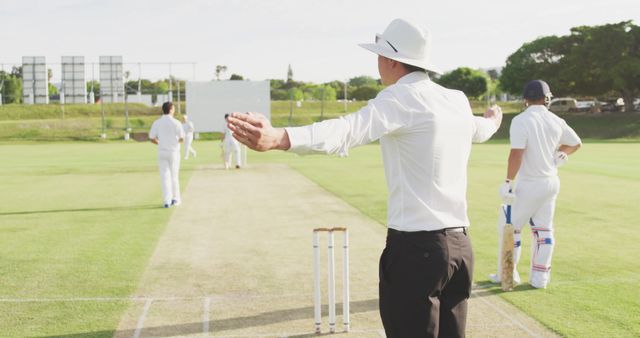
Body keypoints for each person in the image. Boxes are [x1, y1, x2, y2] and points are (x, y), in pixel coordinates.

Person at [227, 18, 502, 338]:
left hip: (417, 250)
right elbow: (480, 130)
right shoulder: (455, 99)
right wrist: (493, 120)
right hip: (460, 249)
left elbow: (347, 130)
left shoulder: (400, 98)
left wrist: (280, 137)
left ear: (391, 60)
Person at [491, 80, 581, 289]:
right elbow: (576, 142)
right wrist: (562, 153)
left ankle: (507, 274)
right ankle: (540, 279)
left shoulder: (521, 120)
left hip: (529, 183)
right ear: (547, 98)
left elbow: (516, 153)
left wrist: (507, 181)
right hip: (551, 183)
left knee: (510, 227)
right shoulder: (555, 119)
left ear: (525, 99)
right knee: (544, 229)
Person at [149, 102, 185, 208]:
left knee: (165, 176)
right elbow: (182, 138)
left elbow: (152, 138)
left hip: (162, 152)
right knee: (174, 176)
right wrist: (176, 142)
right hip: (173, 152)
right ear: (171, 109)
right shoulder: (176, 122)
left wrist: (160, 143)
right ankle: (176, 199)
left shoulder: (157, 122)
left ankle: (166, 201)